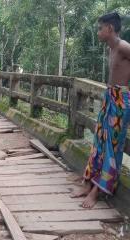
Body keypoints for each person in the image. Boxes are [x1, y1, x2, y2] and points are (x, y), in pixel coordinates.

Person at [71, 12, 130, 208]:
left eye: (100, 28)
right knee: (99, 142)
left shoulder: (123, 47)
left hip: (121, 101)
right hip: (108, 97)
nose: (97, 32)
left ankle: (98, 191)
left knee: (112, 148)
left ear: (110, 29)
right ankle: (88, 184)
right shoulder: (110, 49)